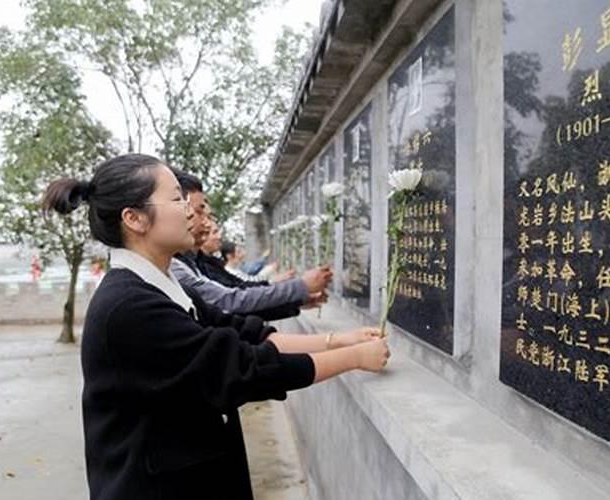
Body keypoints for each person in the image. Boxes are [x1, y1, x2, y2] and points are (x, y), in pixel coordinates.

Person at [43, 154, 390, 499]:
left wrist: (338, 341)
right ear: (134, 219)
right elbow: (241, 369)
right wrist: (354, 357)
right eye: (177, 198)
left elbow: (241, 331)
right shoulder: (128, 307)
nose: (191, 212)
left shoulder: (159, 284)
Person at [170, 169, 329, 315]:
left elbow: (236, 299)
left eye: (208, 217)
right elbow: (230, 302)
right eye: (199, 212)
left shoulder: (194, 264)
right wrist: (299, 287)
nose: (207, 224)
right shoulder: (176, 269)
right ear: (144, 219)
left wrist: (295, 300)